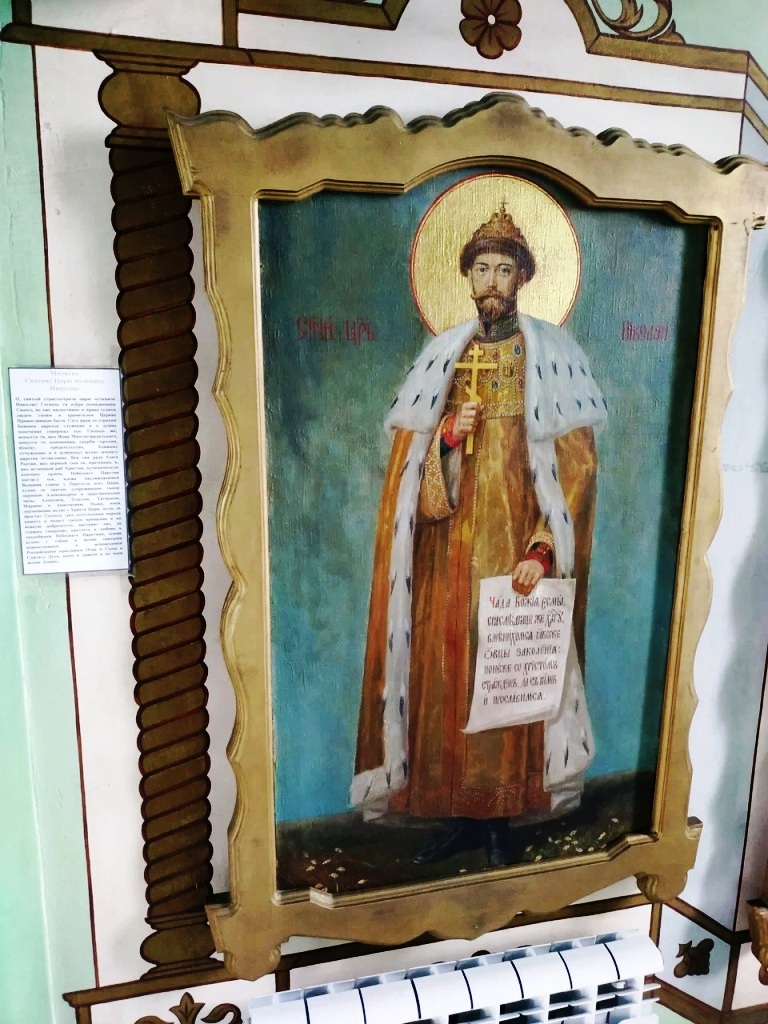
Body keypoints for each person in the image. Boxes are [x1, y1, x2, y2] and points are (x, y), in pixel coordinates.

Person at [349, 206, 607, 867]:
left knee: (505, 677)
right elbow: (406, 475)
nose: (492, 281)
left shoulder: (551, 357)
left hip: (512, 551)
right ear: (467, 278)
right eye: (482, 269)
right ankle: (460, 818)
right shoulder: (444, 357)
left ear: (523, 278)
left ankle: (499, 822)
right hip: (444, 557)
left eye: (504, 269)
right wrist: (447, 438)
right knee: (447, 678)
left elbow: (576, 466)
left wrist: (542, 550)